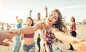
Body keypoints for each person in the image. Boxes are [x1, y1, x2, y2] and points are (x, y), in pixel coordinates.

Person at [10, 9, 86, 52]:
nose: (52, 17)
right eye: (51, 14)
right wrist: (18, 31)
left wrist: (71, 39)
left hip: (54, 49)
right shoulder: (40, 24)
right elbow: (32, 29)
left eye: (55, 17)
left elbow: (58, 34)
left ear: (55, 22)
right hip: (44, 48)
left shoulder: (53, 29)